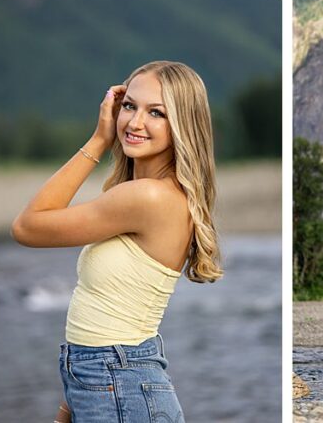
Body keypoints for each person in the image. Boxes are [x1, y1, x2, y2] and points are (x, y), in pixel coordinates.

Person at [12, 61, 221, 423]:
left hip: (120, 382)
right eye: (129, 106)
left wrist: (98, 139)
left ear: (183, 125)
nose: (135, 122)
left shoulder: (148, 198)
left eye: (157, 113)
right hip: (111, 381)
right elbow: (112, 315)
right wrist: (71, 402)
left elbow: (27, 226)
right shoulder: (149, 194)